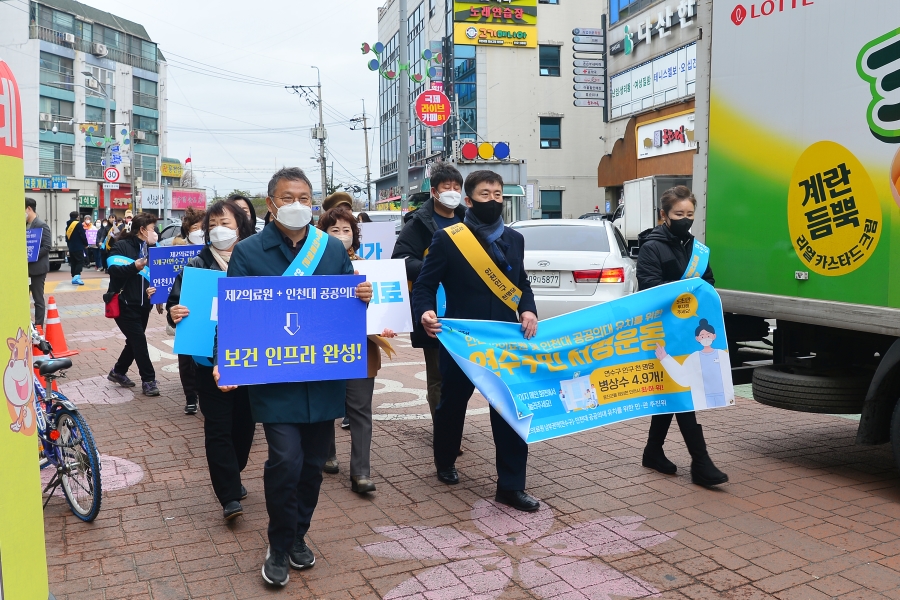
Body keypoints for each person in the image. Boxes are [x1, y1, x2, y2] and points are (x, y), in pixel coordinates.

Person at [214, 167, 373, 587]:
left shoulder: (332, 251)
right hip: (276, 379)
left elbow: (345, 306)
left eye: (304, 197)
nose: (297, 205)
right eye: (288, 197)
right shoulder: (249, 253)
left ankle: (299, 534)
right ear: (271, 203)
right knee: (285, 459)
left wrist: (362, 295)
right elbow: (239, 315)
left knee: (314, 465)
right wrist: (225, 361)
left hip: (322, 378)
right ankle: (279, 545)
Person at [412, 170, 540, 512]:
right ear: (469, 201)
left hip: (503, 341)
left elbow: (522, 283)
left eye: (499, 195)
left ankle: (511, 486)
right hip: (461, 341)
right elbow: (425, 285)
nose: (493, 201)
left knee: (510, 409)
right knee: (452, 404)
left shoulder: (514, 239)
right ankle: (445, 458)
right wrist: (425, 312)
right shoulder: (449, 238)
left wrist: (528, 310)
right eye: (485, 195)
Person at [167, 200, 257, 519]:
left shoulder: (256, 261)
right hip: (208, 361)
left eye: (227, 222)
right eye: (214, 223)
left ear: (241, 227)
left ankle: (234, 470)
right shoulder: (195, 266)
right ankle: (229, 495)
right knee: (218, 428)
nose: (219, 228)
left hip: (251, 359)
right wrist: (173, 312)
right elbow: (175, 306)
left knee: (245, 426)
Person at [636, 185, 728, 487]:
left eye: (690, 214)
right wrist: (686, 289)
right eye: (679, 214)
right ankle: (700, 463)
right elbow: (650, 286)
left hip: (687, 331)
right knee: (681, 391)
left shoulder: (696, 248)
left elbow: (709, 281)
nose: (685, 219)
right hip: (663, 332)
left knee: (671, 391)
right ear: (664, 215)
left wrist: (697, 290)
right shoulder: (652, 246)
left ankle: (653, 451)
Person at [317, 206, 396, 494]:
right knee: (326, 405)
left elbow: (387, 309)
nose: (341, 235)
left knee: (360, 409)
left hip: (362, 348)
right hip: (323, 347)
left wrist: (386, 325)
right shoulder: (312, 270)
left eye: (346, 230)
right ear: (322, 235)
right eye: (334, 230)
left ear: (356, 235)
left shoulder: (372, 269)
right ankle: (327, 454)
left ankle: (361, 472)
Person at [393, 162, 466, 421]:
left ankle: (453, 423)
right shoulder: (419, 224)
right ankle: (444, 430)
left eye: (457, 187)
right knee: (438, 374)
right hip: (433, 307)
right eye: (447, 187)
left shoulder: (469, 219)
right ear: (434, 192)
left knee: (463, 373)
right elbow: (401, 259)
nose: (452, 192)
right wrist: (435, 268)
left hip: (465, 309)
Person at [105, 211, 161, 397]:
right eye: (153, 229)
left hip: (145, 305)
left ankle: (118, 371)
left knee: (134, 342)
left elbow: (160, 277)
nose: (156, 233)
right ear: (143, 230)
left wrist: (159, 298)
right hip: (124, 304)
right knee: (139, 341)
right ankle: (149, 380)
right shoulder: (122, 246)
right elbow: (113, 269)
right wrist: (134, 267)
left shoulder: (155, 249)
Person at [168, 206, 207, 415]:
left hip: (209, 311)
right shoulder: (176, 252)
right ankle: (191, 397)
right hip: (186, 312)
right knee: (186, 359)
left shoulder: (216, 253)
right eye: (195, 227)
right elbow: (169, 286)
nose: (199, 230)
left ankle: (205, 393)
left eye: (203, 226)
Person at [655, 318, 734, 410]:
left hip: (723, 395)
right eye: (702, 336)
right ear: (697, 338)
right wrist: (665, 359)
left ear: (714, 336)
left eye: (708, 335)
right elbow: (683, 378)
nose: (706, 338)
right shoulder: (694, 357)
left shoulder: (722, 354)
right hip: (703, 397)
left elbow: (728, 375)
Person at [26, 198, 51, 328]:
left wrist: (32, 256)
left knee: (38, 300)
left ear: (29, 208)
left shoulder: (41, 225)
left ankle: (39, 327)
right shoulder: (23, 226)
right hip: (25, 270)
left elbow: (47, 247)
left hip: (37, 269)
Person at [65, 211, 88, 286]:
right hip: (78, 246)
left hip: (71, 247)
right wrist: (86, 244)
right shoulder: (78, 224)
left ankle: (73, 276)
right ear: (77, 217)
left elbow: (67, 237)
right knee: (79, 261)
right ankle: (77, 277)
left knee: (73, 262)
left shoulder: (68, 225)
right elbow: (82, 235)